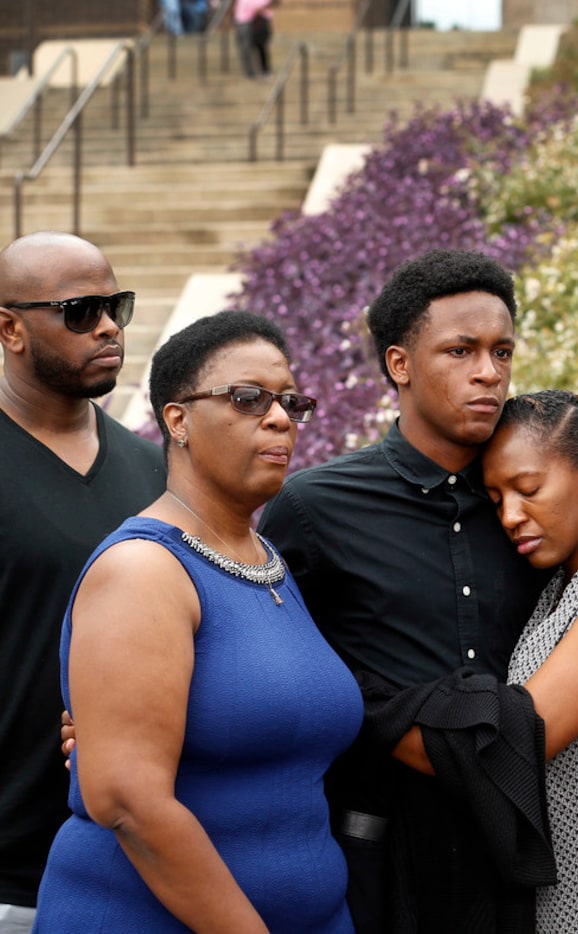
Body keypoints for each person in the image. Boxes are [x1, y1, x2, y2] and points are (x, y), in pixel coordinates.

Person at [258, 249, 578, 932]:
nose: (489, 372)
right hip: (385, 855)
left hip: (527, 864)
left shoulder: (531, 507)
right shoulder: (317, 508)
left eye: (502, 351)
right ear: (399, 364)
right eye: (461, 351)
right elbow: (259, 643)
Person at [33, 311, 361, 932]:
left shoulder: (267, 562)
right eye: (247, 398)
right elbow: (129, 801)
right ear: (177, 419)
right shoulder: (142, 569)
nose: (279, 418)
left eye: (290, 401)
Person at [385, 389, 578, 931]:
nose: (511, 516)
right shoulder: (557, 589)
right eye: (496, 499)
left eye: (528, 489)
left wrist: (366, 711)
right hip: (550, 888)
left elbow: (516, 740)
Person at [0, 232, 165, 934]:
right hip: (13, 877)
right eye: (78, 310)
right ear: (9, 328)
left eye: (116, 306)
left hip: (137, 863)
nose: (106, 327)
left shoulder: (154, 471)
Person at [234, 0, 275, 78]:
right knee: (247, 48)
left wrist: (257, 11)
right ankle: (252, 71)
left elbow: (268, 3)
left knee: (260, 47)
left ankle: (264, 70)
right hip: (243, 21)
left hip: (255, 22)